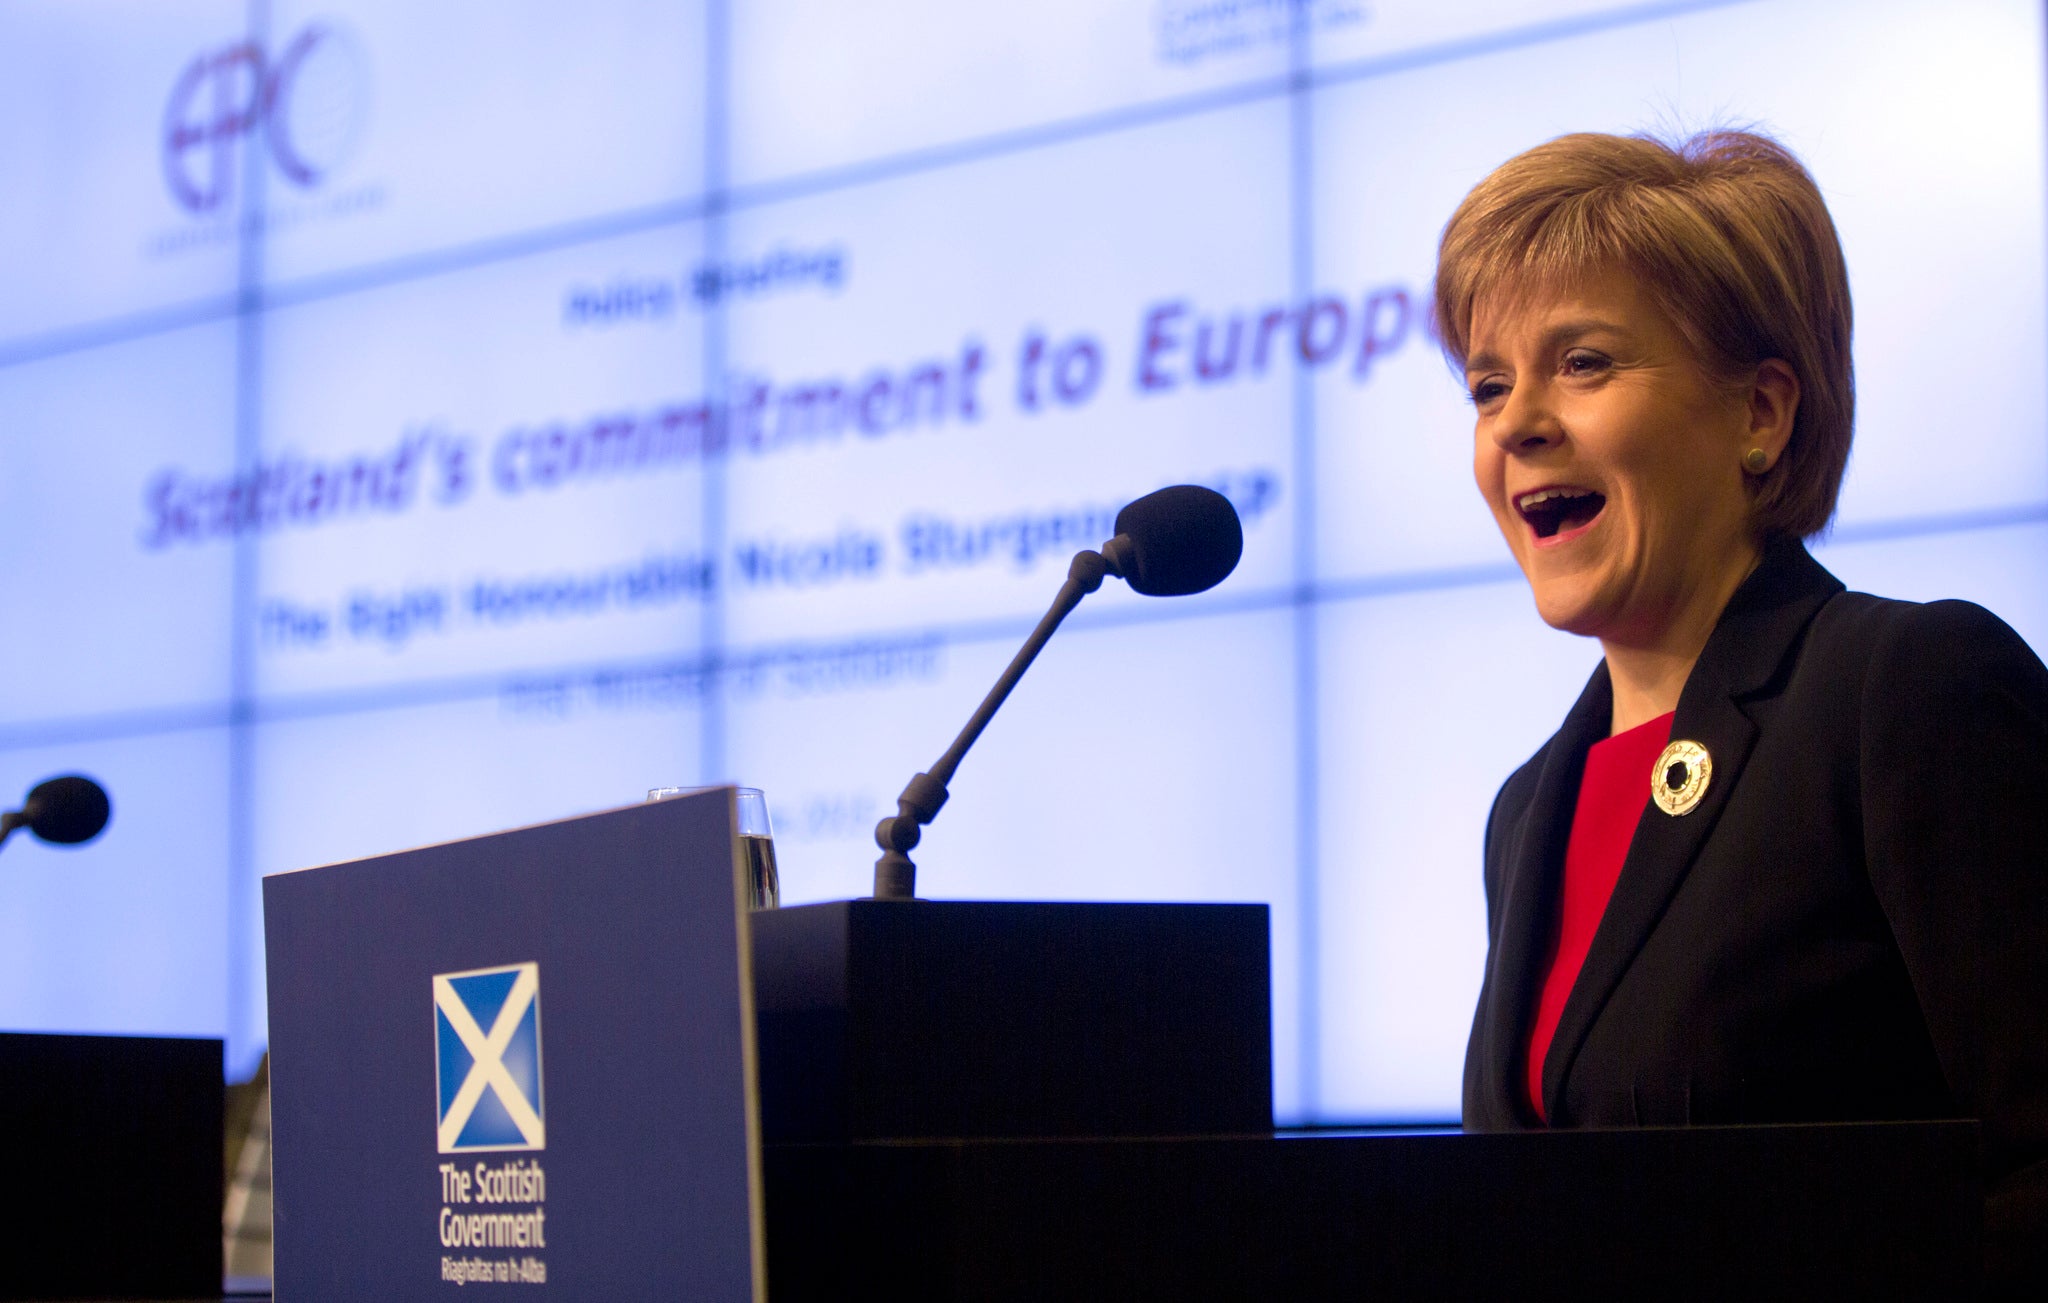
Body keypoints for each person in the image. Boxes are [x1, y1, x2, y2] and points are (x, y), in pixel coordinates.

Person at [1435, 129, 2048, 1291]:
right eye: (1487, 383)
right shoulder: (1527, 814)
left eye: (1582, 363)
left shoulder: (1904, 692)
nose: (1515, 422)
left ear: (1760, 414)